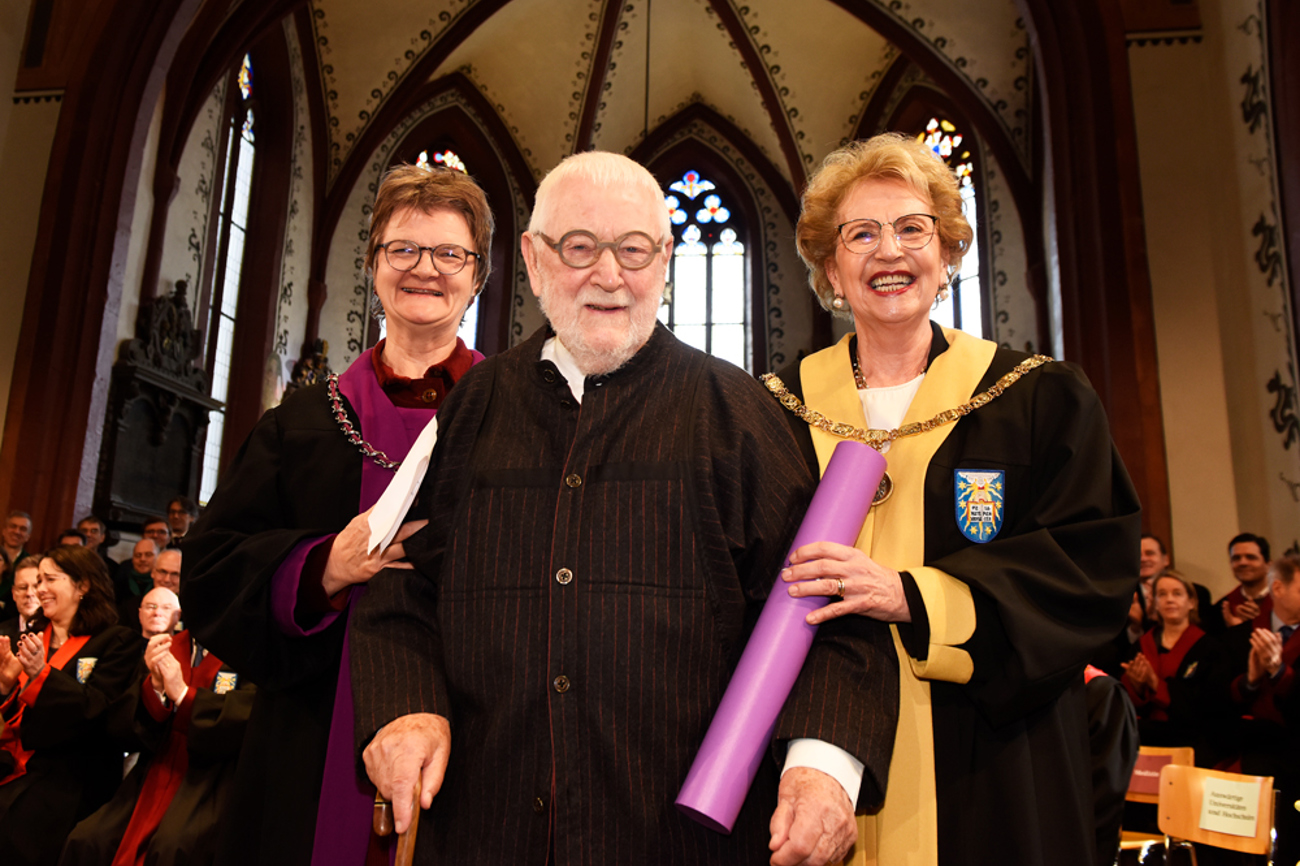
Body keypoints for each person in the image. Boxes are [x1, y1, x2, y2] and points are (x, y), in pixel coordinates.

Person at [350, 151, 898, 866]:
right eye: (579, 248)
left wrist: (822, 770)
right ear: (534, 260)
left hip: (684, 846)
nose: (608, 276)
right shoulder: (474, 409)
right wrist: (405, 707)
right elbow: (399, 583)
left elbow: (834, 614)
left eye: (634, 250)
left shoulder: (738, 414)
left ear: (665, 260)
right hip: (489, 831)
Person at [766, 133, 1140, 865]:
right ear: (831, 270)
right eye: (861, 234)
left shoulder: (1039, 399)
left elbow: (1090, 569)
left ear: (947, 256)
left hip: (995, 758)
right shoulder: (772, 410)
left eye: (912, 229)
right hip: (813, 757)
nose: (889, 252)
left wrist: (915, 596)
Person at [181, 163, 495, 866]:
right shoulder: (300, 422)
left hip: (475, 725)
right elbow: (209, 570)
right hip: (313, 725)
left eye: (450, 254)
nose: (425, 270)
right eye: (403, 250)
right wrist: (320, 567)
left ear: (478, 277)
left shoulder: (518, 418)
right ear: (373, 265)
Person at [61, 590, 254, 866]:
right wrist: (155, 688)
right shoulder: (169, 646)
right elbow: (126, 728)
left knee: (174, 847)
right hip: (156, 768)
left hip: (213, 778)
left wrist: (184, 695)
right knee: (87, 839)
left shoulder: (251, 651)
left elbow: (247, 717)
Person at [0, 545, 143, 866]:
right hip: (17, 761)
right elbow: (13, 715)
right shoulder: (31, 636)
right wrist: (5, 688)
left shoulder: (117, 641)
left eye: (49, 579)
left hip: (74, 774)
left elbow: (98, 712)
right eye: (37, 581)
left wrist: (42, 675)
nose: (39, 589)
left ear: (83, 585)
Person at [1202, 553, 1300, 865]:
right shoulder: (1237, 637)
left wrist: (1280, 673)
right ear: (1278, 589)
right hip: (1241, 747)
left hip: (1293, 755)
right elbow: (1212, 701)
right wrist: (1250, 681)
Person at [1119, 572, 1211, 747]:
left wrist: (1156, 685)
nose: (1169, 600)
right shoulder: (1141, 646)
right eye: (1162, 594)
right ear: (1154, 603)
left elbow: (1210, 704)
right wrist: (1137, 688)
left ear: (1191, 602)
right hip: (1146, 733)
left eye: (1177, 593)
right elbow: (1125, 697)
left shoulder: (1209, 648)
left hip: (1193, 735)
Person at [1201, 532, 1273, 634]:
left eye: (1251, 557)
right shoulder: (1221, 609)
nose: (1243, 563)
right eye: (1236, 558)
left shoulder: (1287, 600)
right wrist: (1235, 630)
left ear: (1268, 565)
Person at [0, 557, 45, 646]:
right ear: (14, 594)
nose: (29, 593)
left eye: (35, 586)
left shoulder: (58, 634)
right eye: (23, 587)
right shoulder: (1, 633)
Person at [114, 539, 158, 625]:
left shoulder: (161, 584)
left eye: (148, 555)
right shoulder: (120, 582)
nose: (142, 559)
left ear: (158, 557)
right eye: (138, 555)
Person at [0, 511, 32, 620]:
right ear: (4, 531)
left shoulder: (31, 563)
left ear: (28, 536)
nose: (17, 532)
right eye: (13, 526)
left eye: (23, 529)